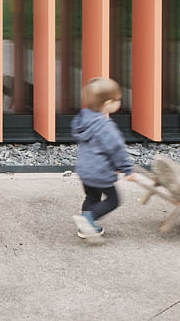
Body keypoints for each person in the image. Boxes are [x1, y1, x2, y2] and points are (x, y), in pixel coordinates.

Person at [71, 77, 137, 238]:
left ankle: (85, 227)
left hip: (85, 170)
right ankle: (88, 220)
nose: (119, 103)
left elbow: (98, 148)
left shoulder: (83, 118)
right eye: (118, 100)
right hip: (99, 172)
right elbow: (116, 149)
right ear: (108, 103)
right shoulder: (106, 127)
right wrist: (127, 170)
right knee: (113, 200)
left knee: (92, 196)